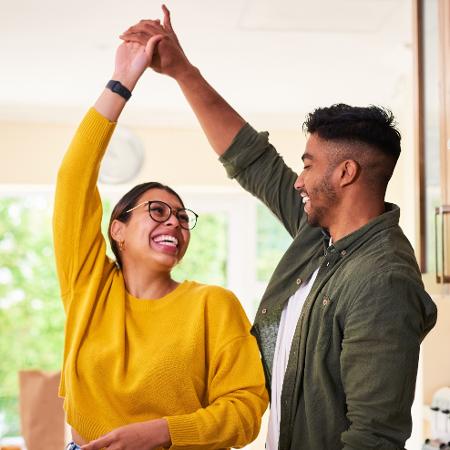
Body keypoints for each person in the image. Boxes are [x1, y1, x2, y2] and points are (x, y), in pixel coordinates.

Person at [120, 7, 438, 450]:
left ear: (345, 173)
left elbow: (373, 438)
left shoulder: (382, 280)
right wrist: (181, 71)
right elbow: (252, 160)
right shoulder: (321, 239)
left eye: (308, 165)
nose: (298, 180)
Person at [53, 33, 268, 450]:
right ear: (118, 228)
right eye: (157, 210)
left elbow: (245, 410)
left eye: (182, 217)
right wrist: (121, 81)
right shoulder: (89, 289)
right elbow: (72, 181)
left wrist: (166, 432)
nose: (174, 222)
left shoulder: (212, 305)